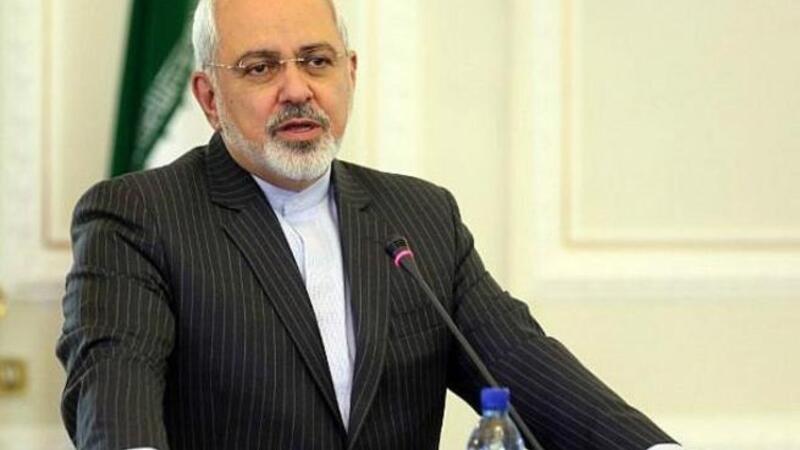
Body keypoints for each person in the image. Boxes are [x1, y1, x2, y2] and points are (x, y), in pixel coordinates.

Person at [56, 0, 681, 449]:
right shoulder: (137, 218)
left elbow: (523, 363)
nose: (297, 89)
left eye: (316, 61)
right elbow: (116, 396)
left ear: (350, 74)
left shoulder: (421, 216)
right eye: (261, 68)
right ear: (209, 98)